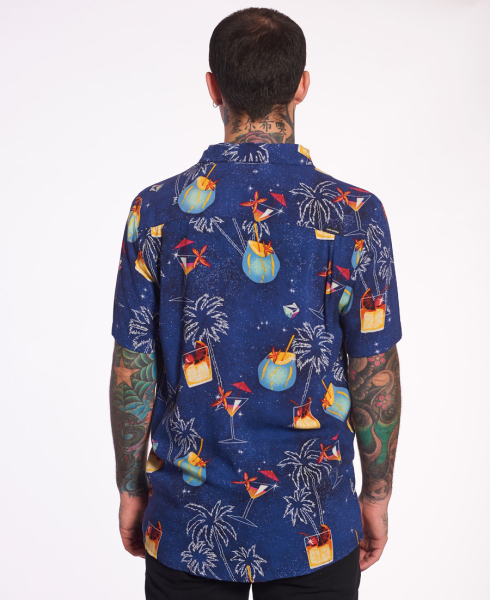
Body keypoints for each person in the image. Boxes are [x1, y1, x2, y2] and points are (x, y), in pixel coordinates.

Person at [109, 7, 402, 600]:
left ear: (212, 87)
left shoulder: (155, 210)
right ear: (302, 85)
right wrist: (376, 495)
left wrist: (131, 488)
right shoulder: (355, 215)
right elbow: (374, 368)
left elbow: (133, 366)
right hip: (315, 522)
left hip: (185, 521)